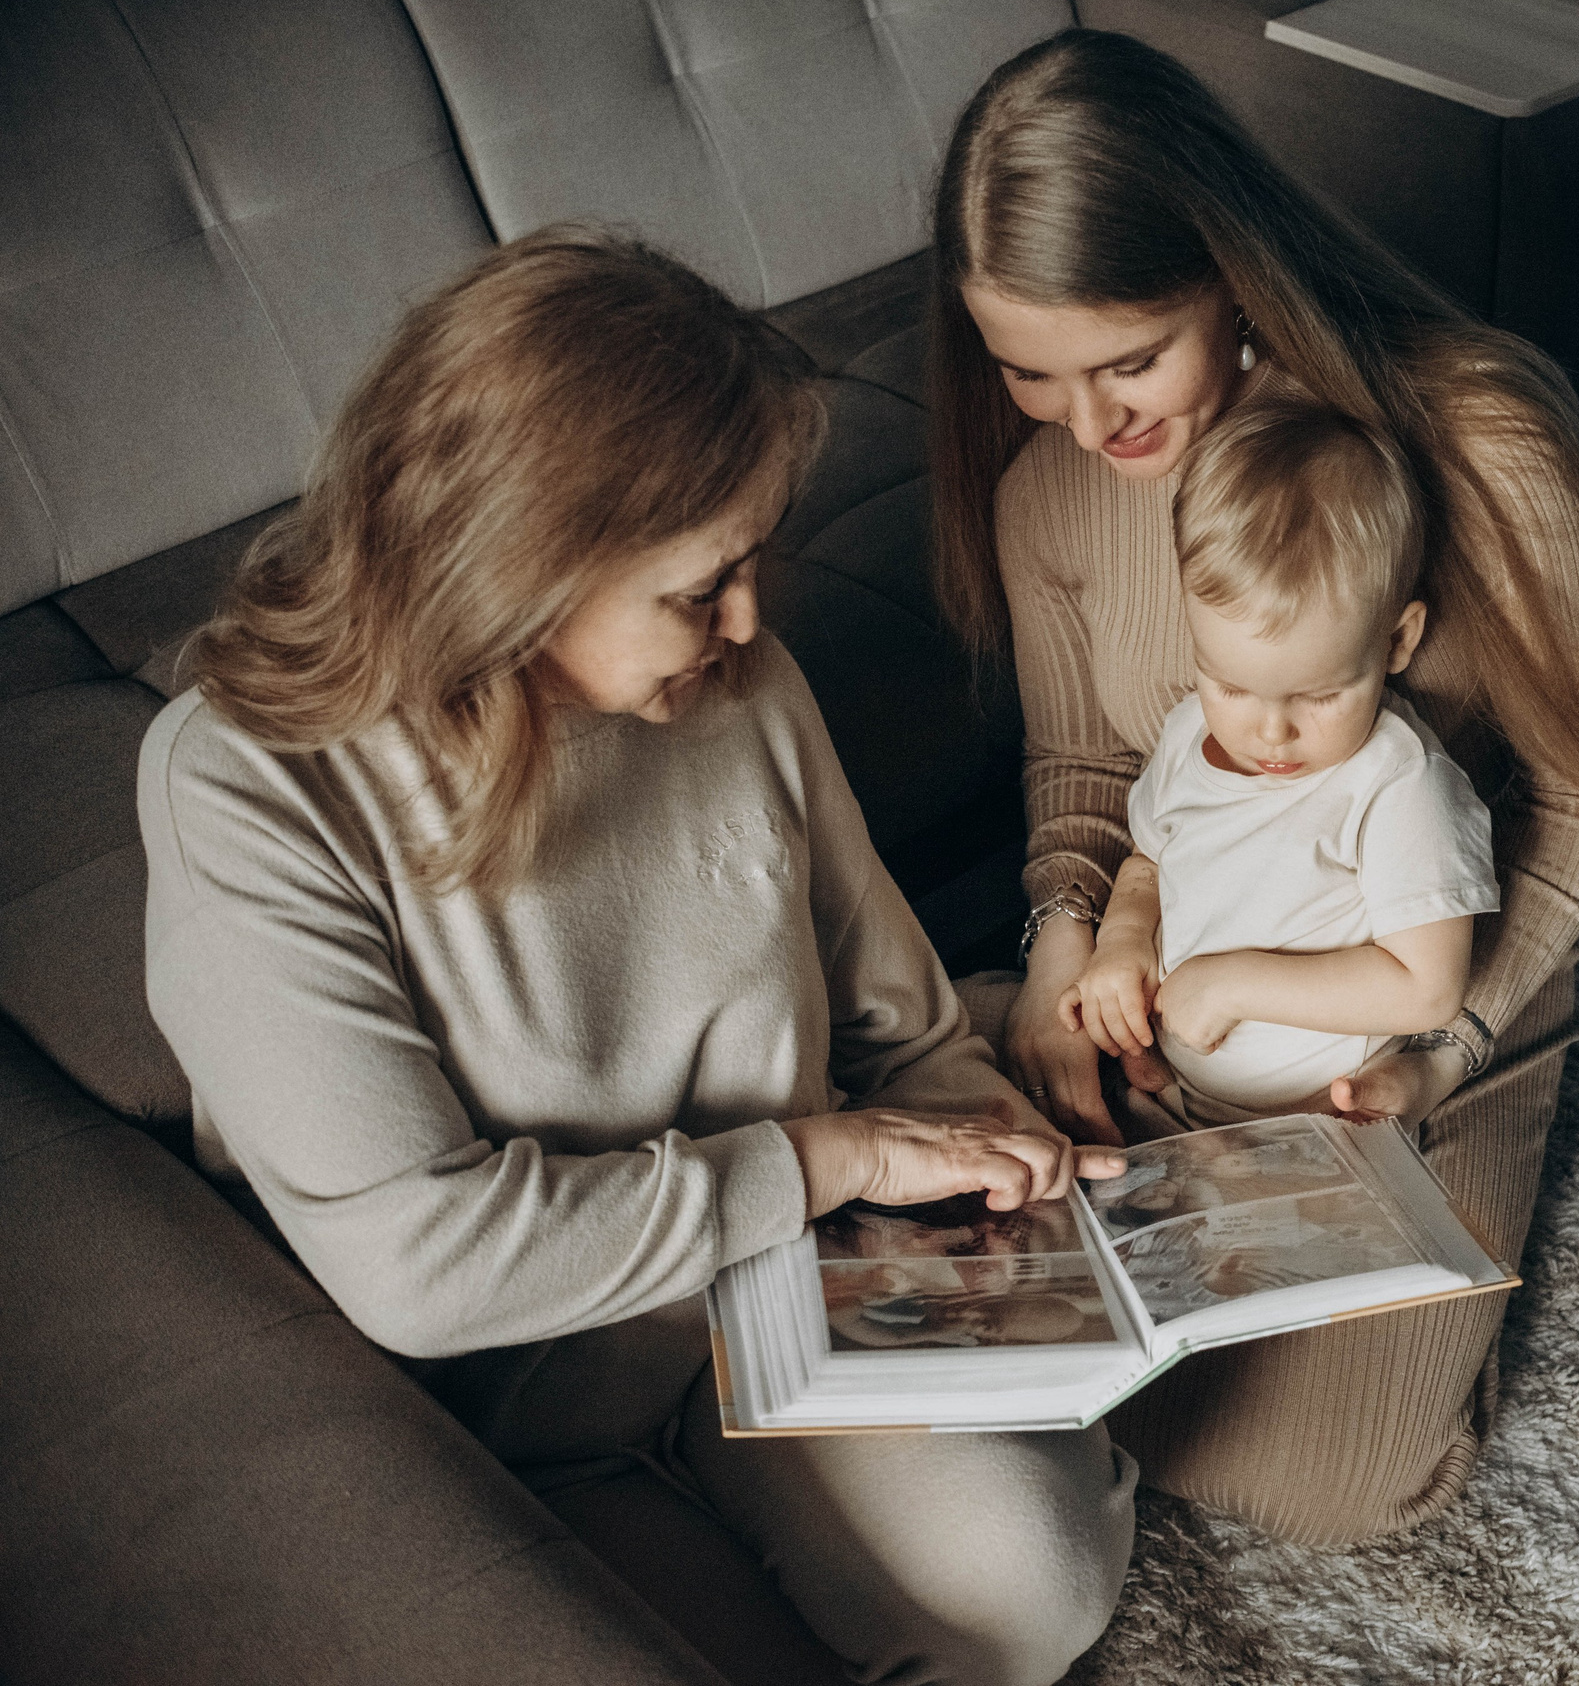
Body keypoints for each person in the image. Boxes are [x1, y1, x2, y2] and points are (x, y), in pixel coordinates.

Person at [139, 226, 1133, 1686]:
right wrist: (830, 1159)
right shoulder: (246, 784)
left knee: (1027, 1591)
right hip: (509, 1401)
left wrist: (1008, 1183)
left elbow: (899, 1026)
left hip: (777, 1308)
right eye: (698, 584)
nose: (747, 623)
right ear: (517, 561)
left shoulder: (745, 687)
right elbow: (425, 1272)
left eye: (753, 563)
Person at [929, 30, 1579, 1545]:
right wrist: (1068, 944)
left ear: (1230, 271)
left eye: (1131, 360)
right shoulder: (1045, 489)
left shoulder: (1483, 444)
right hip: (1174, 989)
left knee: (1322, 1484)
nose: (1092, 425)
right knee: (985, 1360)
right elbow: (1082, 768)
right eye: (1027, 370)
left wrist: (1440, 1053)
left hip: (1399, 1033)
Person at [1055, 392, 1499, 1129]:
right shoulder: (1190, 732)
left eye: (1318, 695)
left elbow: (1426, 987)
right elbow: (1149, 860)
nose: (1269, 732)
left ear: (1396, 641)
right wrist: (1125, 940)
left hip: (1317, 1123)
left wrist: (1233, 985)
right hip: (1174, 1090)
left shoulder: (1396, 782)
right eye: (1230, 683)